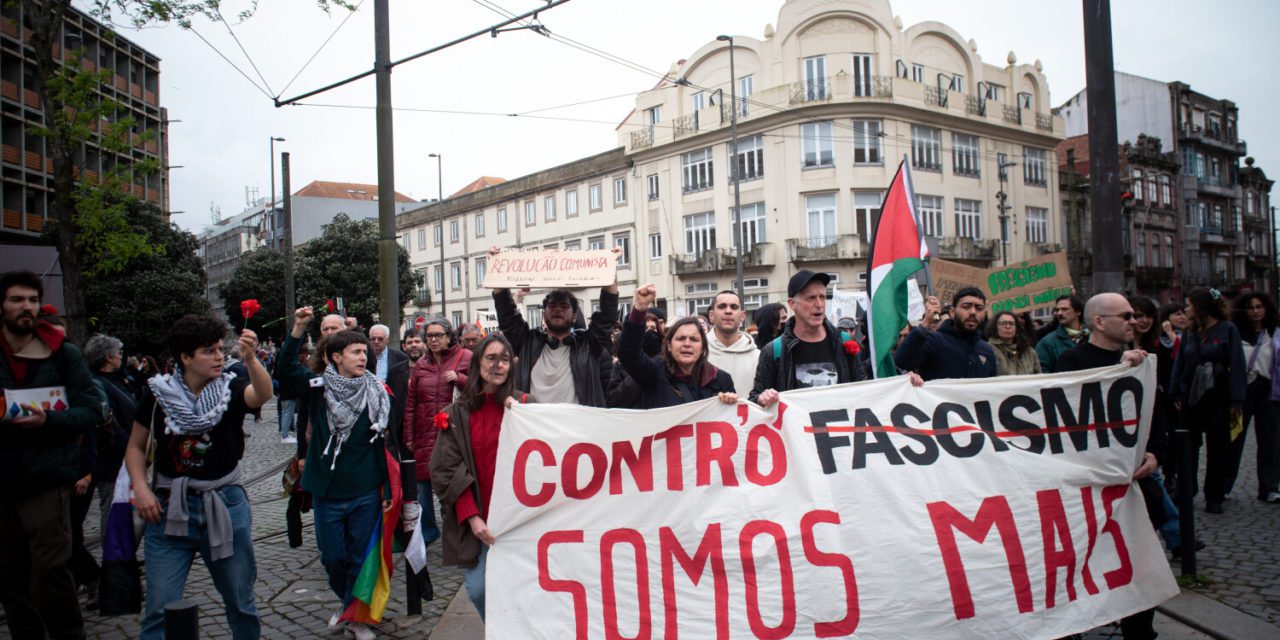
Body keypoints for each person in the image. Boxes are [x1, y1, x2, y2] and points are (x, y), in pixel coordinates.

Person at [125, 314, 272, 640]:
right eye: (209, 351)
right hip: (167, 508)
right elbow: (135, 447)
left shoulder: (230, 388)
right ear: (185, 357)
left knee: (240, 602)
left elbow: (262, 395)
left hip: (224, 505)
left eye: (220, 349)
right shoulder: (158, 393)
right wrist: (141, 488)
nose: (219, 357)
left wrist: (251, 360)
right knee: (159, 609)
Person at [276, 307, 401, 640]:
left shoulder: (377, 392)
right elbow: (285, 371)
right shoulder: (318, 389)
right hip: (328, 491)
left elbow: (387, 446)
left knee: (361, 557)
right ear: (335, 358)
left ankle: (357, 617)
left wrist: (389, 490)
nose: (363, 357)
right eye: (356, 352)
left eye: (364, 351)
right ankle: (348, 603)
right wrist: (298, 328)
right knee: (333, 558)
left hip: (365, 490)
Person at [1053, 292, 1163, 640]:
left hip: (1132, 484)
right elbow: (1067, 407)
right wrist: (1116, 370)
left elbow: (1154, 416)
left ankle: (1140, 630)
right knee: (1082, 560)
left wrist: (1155, 454)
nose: (1134, 321)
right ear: (1099, 322)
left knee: (1139, 562)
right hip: (1087, 486)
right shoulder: (1071, 360)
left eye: (1134, 315)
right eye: (1125, 316)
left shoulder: (1140, 363)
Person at [0, 271, 102, 640]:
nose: (26, 307)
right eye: (17, 300)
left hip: (47, 476)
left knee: (50, 570)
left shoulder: (62, 353)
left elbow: (92, 410)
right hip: (3, 478)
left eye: (32, 299)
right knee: (9, 575)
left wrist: (50, 420)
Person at [430, 333, 531, 621]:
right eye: (491, 358)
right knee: (478, 588)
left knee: (521, 589)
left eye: (504, 360)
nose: (498, 365)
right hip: (479, 519)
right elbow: (446, 469)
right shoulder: (457, 413)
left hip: (518, 520)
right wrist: (472, 517)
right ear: (478, 363)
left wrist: (525, 419)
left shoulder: (525, 405)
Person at [488, 245, 619, 407]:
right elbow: (507, 317)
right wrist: (497, 269)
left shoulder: (588, 344)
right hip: (533, 422)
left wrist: (610, 266)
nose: (558, 310)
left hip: (580, 423)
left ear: (574, 316)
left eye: (564, 306)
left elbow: (607, 317)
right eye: (552, 306)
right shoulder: (527, 342)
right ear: (544, 314)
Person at [1170, 288, 1246, 514]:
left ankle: (1214, 496)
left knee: (1218, 448)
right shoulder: (1190, 332)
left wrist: (1236, 400)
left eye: (1189, 305)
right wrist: (1175, 391)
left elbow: (1237, 364)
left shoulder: (1227, 330)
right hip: (1191, 397)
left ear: (1201, 307)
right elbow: (1180, 362)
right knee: (1188, 446)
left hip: (1217, 396)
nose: (1186, 309)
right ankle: (1186, 490)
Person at [750, 270, 866, 408]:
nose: (819, 304)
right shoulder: (773, 351)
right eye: (811, 298)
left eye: (822, 297)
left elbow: (863, 390)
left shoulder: (844, 342)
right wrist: (762, 398)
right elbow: (755, 399)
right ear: (792, 304)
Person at [404, 318, 471, 550]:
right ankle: (428, 531)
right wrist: (408, 435)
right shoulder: (421, 364)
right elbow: (411, 403)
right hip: (424, 432)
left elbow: (480, 388)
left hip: (454, 434)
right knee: (422, 485)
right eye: (429, 336)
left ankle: (456, 531)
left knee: (452, 483)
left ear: (449, 336)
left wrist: (460, 379)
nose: (433, 340)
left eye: (438, 335)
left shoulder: (466, 357)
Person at [618, 284, 738, 409]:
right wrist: (639, 309)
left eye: (694, 339)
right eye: (681, 338)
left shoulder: (721, 380)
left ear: (703, 347)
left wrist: (730, 401)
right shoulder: (653, 373)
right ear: (669, 346)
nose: (687, 344)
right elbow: (628, 353)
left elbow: (733, 417)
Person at [1230, 292, 1280, 503]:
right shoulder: (1235, 333)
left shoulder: (1274, 333)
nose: (1255, 311)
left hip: (1268, 390)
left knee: (1271, 441)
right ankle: (1224, 484)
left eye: (1259, 307)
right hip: (1242, 391)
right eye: (1250, 307)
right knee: (1233, 438)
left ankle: (1269, 487)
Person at [894, 287, 998, 381]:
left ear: (984, 314)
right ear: (952, 312)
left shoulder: (987, 351)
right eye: (966, 307)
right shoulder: (934, 340)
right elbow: (902, 361)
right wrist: (926, 322)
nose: (973, 312)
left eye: (979, 308)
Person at [705, 290, 759, 395]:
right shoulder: (698, 353)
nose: (728, 311)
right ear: (711, 316)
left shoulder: (758, 357)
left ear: (742, 316)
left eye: (734, 307)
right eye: (722, 307)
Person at [368, 324, 411, 455]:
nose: (376, 342)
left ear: (387, 340)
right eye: (373, 338)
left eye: (380, 339)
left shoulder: (400, 357)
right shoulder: (363, 356)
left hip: (392, 409)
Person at [1037, 294, 1086, 372]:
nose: (1059, 313)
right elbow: (1042, 372)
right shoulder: (1047, 343)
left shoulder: (1093, 336)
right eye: (1057, 310)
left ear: (1078, 311)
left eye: (1064, 309)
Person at [985, 310, 1041, 376]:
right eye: (1003, 323)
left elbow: (1038, 376)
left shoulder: (1029, 352)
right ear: (995, 327)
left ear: (1016, 328)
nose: (1008, 326)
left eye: (1011, 324)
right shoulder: (988, 350)